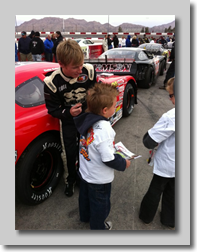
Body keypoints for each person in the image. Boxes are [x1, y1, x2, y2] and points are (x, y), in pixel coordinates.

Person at [74, 83, 131, 230]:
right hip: (99, 179)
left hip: (86, 172)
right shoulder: (105, 130)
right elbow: (109, 158)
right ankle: (98, 227)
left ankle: (85, 217)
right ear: (105, 110)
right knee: (101, 205)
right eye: (114, 105)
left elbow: (90, 145)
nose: (116, 106)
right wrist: (124, 163)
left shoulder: (86, 120)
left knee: (85, 198)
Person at [44, 39, 97, 197]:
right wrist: (68, 113)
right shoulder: (51, 82)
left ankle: (83, 176)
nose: (80, 69)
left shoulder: (89, 71)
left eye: (81, 64)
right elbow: (52, 109)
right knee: (69, 152)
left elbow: (96, 94)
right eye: (75, 67)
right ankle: (71, 179)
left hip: (86, 119)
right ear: (61, 63)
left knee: (87, 149)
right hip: (68, 122)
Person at [139, 77, 175, 229]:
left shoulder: (171, 116)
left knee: (156, 189)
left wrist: (149, 134)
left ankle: (146, 216)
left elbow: (150, 141)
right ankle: (170, 220)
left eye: (171, 95)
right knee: (173, 192)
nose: (170, 99)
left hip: (168, 162)